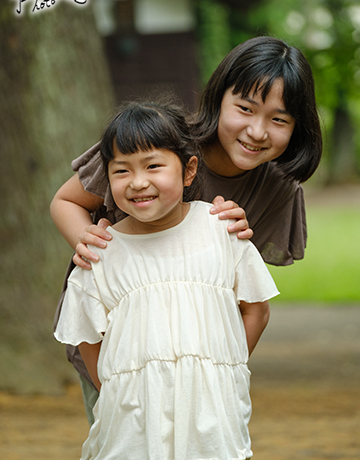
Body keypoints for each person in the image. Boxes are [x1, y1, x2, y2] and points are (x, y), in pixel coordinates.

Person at [51, 36, 322, 423]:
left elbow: (245, 297)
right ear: (219, 98)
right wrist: (89, 241)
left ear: (298, 127)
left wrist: (223, 372)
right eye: (245, 108)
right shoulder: (157, 142)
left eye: (278, 119)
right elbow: (66, 201)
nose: (258, 131)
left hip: (197, 366)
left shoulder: (277, 187)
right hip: (118, 349)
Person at [54, 100, 279, 460]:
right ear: (107, 178)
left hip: (212, 419)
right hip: (131, 426)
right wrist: (117, 388)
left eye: (154, 166)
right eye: (122, 171)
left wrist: (224, 367)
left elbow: (257, 310)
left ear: (189, 171)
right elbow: (86, 337)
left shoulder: (220, 229)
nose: (138, 182)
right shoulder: (101, 252)